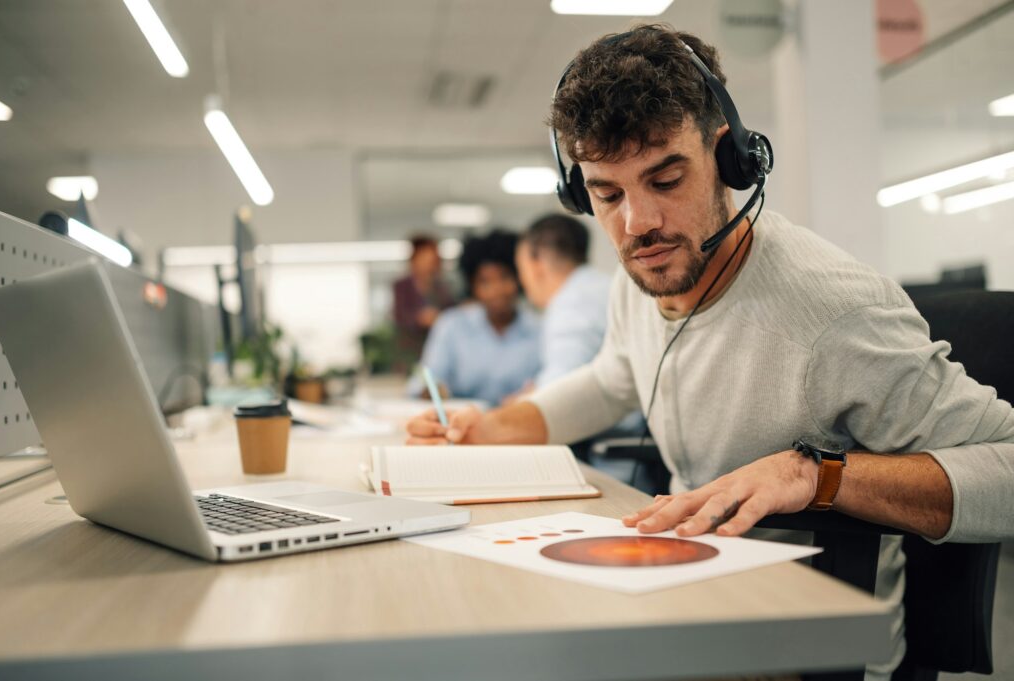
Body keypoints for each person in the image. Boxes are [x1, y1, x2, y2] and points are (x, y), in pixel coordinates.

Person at [408, 25, 1014, 679]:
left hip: (804, 646)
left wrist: (818, 475)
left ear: (731, 159)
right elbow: (614, 377)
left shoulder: (835, 312)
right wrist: (491, 427)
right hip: (686, 601)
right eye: (607, 194)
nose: (638, 223)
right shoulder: (642, 271)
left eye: (666, 178)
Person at [408, 229, 540, 407]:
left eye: (505, 277)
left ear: (519, 279)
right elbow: (423, 381)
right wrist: (432, 389)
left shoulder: (540, 328)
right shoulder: (451, 326)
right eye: (485, 282)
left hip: (521, 427)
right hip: (463, 426)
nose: (497, 290)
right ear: (473, 286)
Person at [515, 213, 611, 388]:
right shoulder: (604, 285)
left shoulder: (571, 306)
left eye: (521, 269)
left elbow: (561, 386)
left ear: (537, 265)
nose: (522, 281)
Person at [392, 235, 455, 363]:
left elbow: (452, 313)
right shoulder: (402, 287)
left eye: (433, 259)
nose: (429, 264)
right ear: (414, 259)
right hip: (410, 352)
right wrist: (419, 318)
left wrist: (440, 318)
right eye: (425, 258)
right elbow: (399, 316)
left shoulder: (442, 288)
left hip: (439, 351)